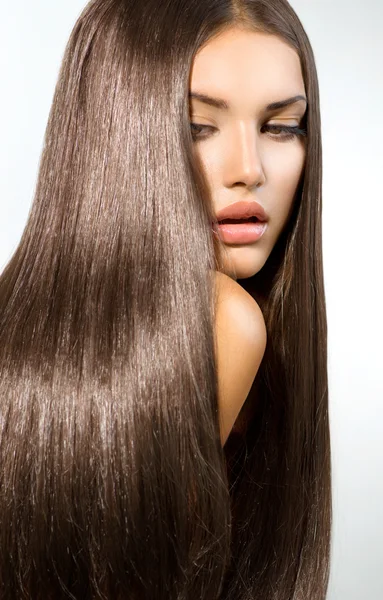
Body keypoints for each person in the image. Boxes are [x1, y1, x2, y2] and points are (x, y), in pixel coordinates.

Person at [0, 1, 331, 598]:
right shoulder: (225, 321)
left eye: (281, 127)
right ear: (115, 132)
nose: (248, 170)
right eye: (198, 126)